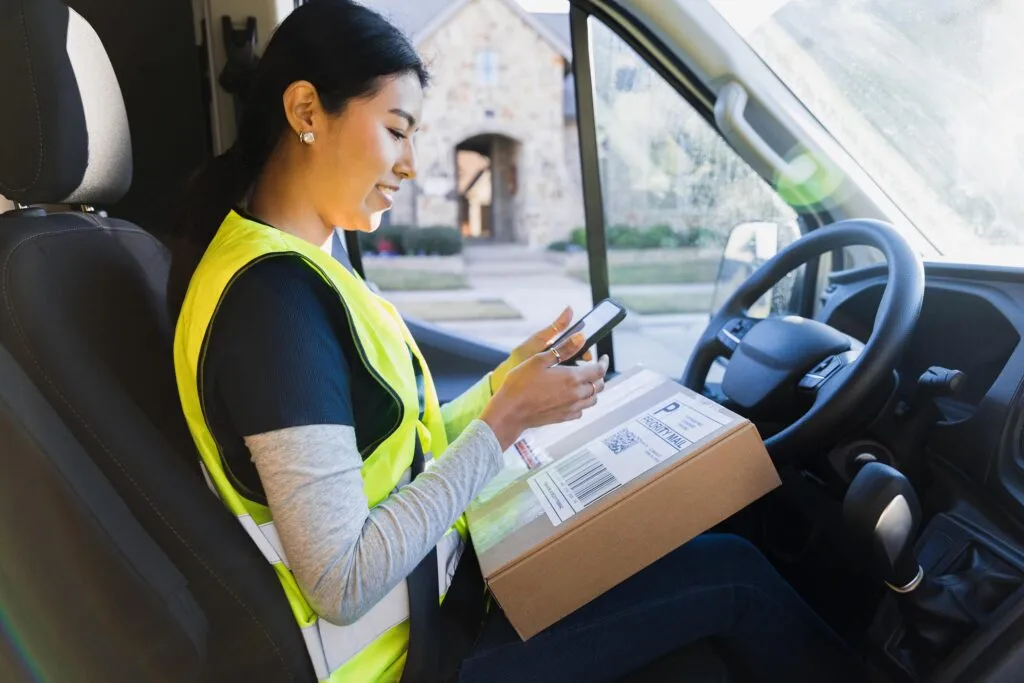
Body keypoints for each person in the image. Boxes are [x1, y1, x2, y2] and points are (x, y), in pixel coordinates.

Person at [170, 2, 868, 681]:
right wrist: (506, 424)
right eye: (396, 129)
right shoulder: (272, 305)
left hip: (443, 598)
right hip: (417, 654)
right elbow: (342, 578)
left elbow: (399, 451)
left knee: (715, 538)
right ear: (305, 112)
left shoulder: (297, 266)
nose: (411, 163)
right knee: (733, 574)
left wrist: (506, 387)